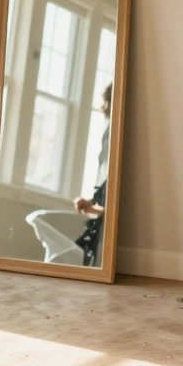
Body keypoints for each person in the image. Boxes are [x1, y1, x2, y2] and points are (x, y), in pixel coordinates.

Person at [73, 83, 113, 267]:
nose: (101, 108)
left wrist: (94, 208)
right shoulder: (108, 133)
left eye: (104, 102)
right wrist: (92, 204)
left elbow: (113, 210)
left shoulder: (115, 134)